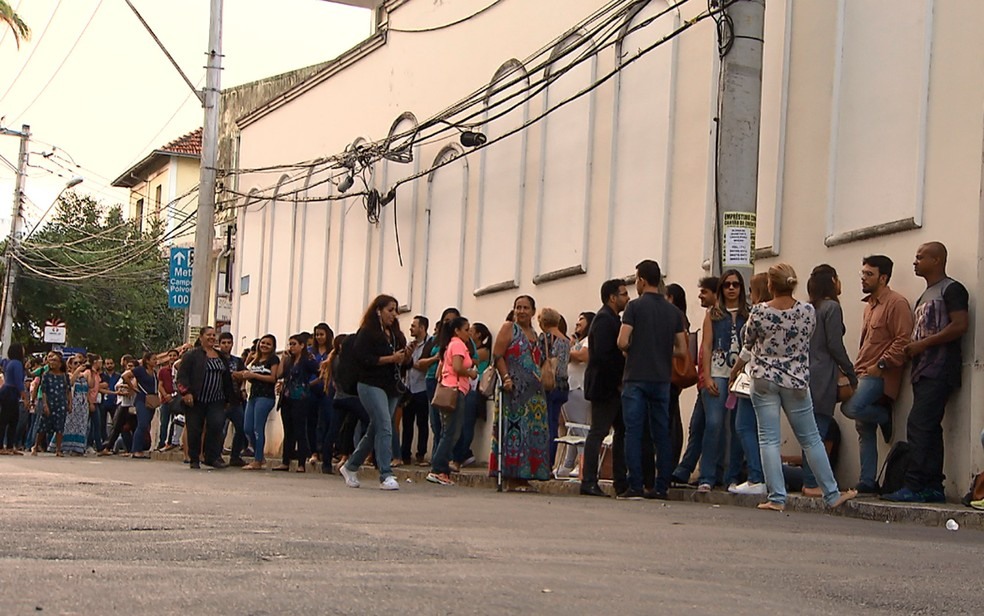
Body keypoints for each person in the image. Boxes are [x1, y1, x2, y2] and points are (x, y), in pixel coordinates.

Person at [731, 263, 856, 511]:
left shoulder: (759, 312)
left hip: (764, 378)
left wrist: (736, 369)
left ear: (770, 285)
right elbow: (806, 339)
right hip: (796, 379)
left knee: (768, 438)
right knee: (811, 439)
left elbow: (748, 343)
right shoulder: (807, 312)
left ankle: (777, 497)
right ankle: (831, 493)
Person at [882, 242, 968, 503]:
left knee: (919, 425)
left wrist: (924, 343)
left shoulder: (951, 289)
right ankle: (932, 485)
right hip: (922, 370)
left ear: (938, 259)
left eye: (921, 257)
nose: (915, 261)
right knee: (929, 428)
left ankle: (917, 484)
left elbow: (960, 325)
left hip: (940, 368)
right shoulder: (926, 294)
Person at [840, 255, 913, 493]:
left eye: (869, 274)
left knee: (850, 408)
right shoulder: (870, 305)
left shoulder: (896, 303)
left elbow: (903, 339)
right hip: (863, 370)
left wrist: (881, 365)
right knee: (863, 428)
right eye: (863, 273)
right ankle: (867, 481)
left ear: (883, 277)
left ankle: (883, 416)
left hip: (880, 374)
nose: (863, 278)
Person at [617, 259, 687, 500]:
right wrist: (660, 348)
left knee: (633, 432)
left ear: (642, 280)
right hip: (661, 379)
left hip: (636, 376)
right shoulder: (673, 312)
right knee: (662, 433)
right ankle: (661, 486)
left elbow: (622, 341)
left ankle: (635, 485)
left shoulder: (634, 308)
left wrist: (636, 347)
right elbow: (681, 349)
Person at [698, 270, 763, 495]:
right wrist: (706, 376)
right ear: (722, 289)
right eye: (727, 285)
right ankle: (707, 476)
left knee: (738, 426)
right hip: (718, 371)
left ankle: (732, 475)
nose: (732, 288)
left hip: (742, 375)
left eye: (736, 284)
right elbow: (706, 345)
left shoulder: (750, 313)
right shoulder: (713, 314)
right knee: (714, 424)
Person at [339, 294, 412, 491]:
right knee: (386, 425)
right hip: (370, 384)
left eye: (396, 310)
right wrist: (390, 358)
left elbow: (403, 363)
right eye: (390, 310)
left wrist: (405, 358)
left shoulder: (396, 335)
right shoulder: (367, 332)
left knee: (376, 428)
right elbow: (364, 359)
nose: (394, 314)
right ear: (378, 310)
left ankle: (351, 466)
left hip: (391, 386)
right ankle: (386, 474)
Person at [804, 264, 857, 497]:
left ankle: (809, 480)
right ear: (833, 281)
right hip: (823, 372)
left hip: (804, 373)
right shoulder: (832, 308)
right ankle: (812, 482)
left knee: (809, 430)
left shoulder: (808, 308)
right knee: (819, 429)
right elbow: (835, 344)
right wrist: (850, 370)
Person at [491, 295, 550, 492]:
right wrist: (506, 377)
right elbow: (498, 354)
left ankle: (526, 477)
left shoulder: (536, 334)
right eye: (518, 307)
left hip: (535, 396)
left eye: (526, 308)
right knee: (514, 433)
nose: (521, 311)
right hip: (514, 392)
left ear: (533, 312)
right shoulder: (509, 328)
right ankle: (512, 477)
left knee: (532, 433)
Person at [580, 280, 630, 497]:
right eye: (624, 294)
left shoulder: (613, 320)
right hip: (605, 386)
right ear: (612, 297)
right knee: (598, 432)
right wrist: (618, 380)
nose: (627, 298)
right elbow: (602, 356)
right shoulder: (603, 320)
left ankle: (621, 481)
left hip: (613, 386)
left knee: (622, 432)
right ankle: (589, 480)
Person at [672, 276, 720, 486]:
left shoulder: (718, 317)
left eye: (704, 292)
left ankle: (706, 472)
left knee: (710, 425)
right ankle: (685, 469)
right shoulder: (709, 316)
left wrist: (707, 376)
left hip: (711, 380)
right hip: (703, 380)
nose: (700, 296)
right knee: (696, 426)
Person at [427, 316, 477, 486]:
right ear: (457, 330)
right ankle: (439, 468)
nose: (469, 332)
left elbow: (440, 371)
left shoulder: (450, 345)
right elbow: (457, 367)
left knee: (448, 431)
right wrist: (470, 373)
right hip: (454, 390)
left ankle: (439, 466)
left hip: (449, 387)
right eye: (466, 329)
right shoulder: (457, 345)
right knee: (451, 432)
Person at [176, 326, 234, 469]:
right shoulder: (191, 355)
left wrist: (229, 399)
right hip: (196, 399)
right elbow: (182, 376)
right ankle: (194, 458)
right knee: (194, 429)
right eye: (208, 335)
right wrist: (186, 393)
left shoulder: (221, 357)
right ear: (201, 337)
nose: (212, 337)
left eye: (214, 335)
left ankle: (212, 457)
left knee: (216, 426)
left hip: (216, 400)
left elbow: (227, 379)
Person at [276, 333, 320, 473]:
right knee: (288, 431)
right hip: (287, 397)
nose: (292, 347)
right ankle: (285, 461)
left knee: (300, 430)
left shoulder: (307, 359)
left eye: (294, 344)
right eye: (290, 344)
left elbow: (320, 372)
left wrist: (310, 384)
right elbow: (279, 375)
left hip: (300, 398)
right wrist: (283, 359)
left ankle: (301, 463)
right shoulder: (290, 360)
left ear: (302, 345)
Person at [453, 321, 492, 469]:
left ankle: (462, 454)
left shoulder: (481, 351)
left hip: (474, 389)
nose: (468, 333)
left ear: (478, 335)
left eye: (471, 330)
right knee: (462, 423)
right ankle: (465, 454)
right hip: (468, 388)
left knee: (466, 424)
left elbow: (466, 361)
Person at [239, 334, 280, 470]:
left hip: (266, 397)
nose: (264, 346)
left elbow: (273, 378)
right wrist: (247, 376)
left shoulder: (273, 359)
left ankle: (257, 460)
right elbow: (251, 377)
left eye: (268, 344)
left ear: (273, 346)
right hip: (253, 396)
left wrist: (254, 375)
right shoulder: (255, 360)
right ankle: (259, 455)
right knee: (247, 428)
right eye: (263, 343)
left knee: (258, 427)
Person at [538, 307, 571, 468]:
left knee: (546, 425)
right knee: (555, 424)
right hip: (563, 386)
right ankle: (551, 463)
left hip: (548, 385)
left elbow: (538, 360)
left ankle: (545, 462)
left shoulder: (544, 338)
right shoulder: (566, 341)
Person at [664, 284, 688, 468]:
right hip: (675, 376)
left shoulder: (674, 316)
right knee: (673, 418)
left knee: (669, 419)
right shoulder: (682, 317)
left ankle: (669, 463)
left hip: (669, 372)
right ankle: (671, 462)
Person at [403, 315, 431, 466]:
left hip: (422, 387)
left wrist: (410, 362)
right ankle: (405, 454)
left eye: (414, 326)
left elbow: (422, 365)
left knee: (422, 422)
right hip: (409, 388)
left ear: (422, 328)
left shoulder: (430, 344)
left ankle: (421, 453)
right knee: (407, 423)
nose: (411, 328)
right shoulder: (410, 345)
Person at [218, 333, 248, 467]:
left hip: (235, 400)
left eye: (228, 342)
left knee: (242, 428)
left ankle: (235, 456)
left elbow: (245, 374)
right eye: (223, 343)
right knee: (220, 430)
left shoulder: (237, 361)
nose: (226, 345)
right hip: (220, 400)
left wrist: (241, 383)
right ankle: (216, 455)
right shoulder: (215, 359)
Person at [123, 352, 159, 459]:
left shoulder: (154, 372)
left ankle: (140, 448)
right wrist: (133, 388)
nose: (156, 361)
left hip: (151, 400)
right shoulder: (140, 370)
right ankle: (135, 449)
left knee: (146, 425)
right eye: (153, 359)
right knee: (142, 423)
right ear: (147, 360)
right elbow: (125, 376)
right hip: (141, 400)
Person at [307, 322, 334, 467]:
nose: (319, 337)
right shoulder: (310, 351)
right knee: (312, 420)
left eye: (321, 334)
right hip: (311, 388)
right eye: (317, 334)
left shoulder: (332, 351)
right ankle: (314, 451)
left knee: (327, 419)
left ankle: (326, 450)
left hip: (327, 388)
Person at [35, 352, 70, 456]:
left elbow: (68, 390)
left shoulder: (64, 376)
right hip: (50, 402)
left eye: (55, 361)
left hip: (61, 403)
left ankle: (58, 449)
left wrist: (70, 403)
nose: (52, 363)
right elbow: (44, 391)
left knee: (60, 427)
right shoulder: (46, 375)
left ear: (60, 363)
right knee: (43, 426)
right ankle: (35, 446)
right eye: (51, 361)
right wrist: (45, 405)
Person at [62, 354, 94, 456]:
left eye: (80, 363)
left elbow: (91, 385)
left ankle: (78, 448)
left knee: (82, 426)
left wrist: (90, 372)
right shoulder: (69, 375)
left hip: (83, 404)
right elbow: (70, 383)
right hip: (73, 403)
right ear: (70, 365)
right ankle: (66, 447)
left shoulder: (84, 376)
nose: (78, 365)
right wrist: (77, 371)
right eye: (75, 363)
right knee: (70, 425)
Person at [0, 342, 26, 454]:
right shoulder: (17, 364)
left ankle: (9, 446)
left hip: (7, 391)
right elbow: (18, 381)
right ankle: (3, 446)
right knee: (6, 420)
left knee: (12, 420)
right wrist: (24, 395)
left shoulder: (9, 362)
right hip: (11, 392)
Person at [155, 349, 180, 451]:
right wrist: (166, 395)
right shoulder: (163, 371)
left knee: (175, 422)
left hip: (176, 399)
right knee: (164, 422)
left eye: (174, 355)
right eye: (170, 355)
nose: (172, 357)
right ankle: (161, 443)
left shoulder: (181, 370)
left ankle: (171, 442)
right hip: (165, 400)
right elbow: (160, 385)